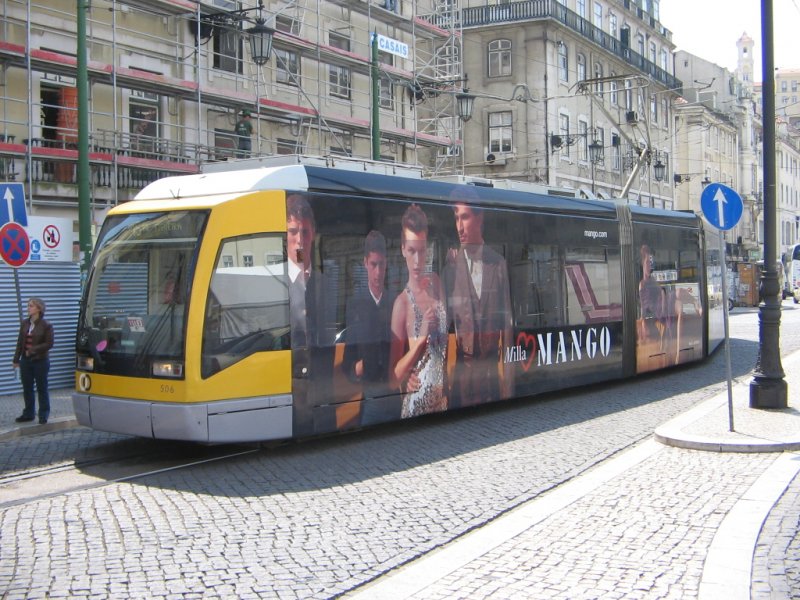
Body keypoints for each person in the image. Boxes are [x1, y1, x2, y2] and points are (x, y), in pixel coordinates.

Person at [444, 199, 514, 407]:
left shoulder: (498, 264)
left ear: (479, 218)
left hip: (491, 377)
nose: (459, 227)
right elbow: (445, 324)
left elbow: (507, 326)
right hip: (461, 381)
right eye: (456, 218)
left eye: (464, 217)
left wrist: (508, 382)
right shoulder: (451, 268)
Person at [389, 204, 448, 418]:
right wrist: (420, 341)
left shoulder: (436, 284)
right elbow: (393, 377)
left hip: (443, 402)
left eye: (422, 251)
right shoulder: (401, 304)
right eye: (412, 251)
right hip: (416, 405)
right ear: (403, 249)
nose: (417, 260)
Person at [286, 194, 335, 435]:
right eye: (293, 231)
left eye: (304, 232)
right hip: (289, 380)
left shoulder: (323, 282)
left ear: (313, 234)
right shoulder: (276, 282)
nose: (299, 241)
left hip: (321, 384)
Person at [342, 231, 399, 425]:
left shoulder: (396, 302)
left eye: (381, 265)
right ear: (365, 263)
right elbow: (347, 362)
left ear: (386, 264)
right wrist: (356, 368)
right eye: (373, 265)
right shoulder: (355, 305)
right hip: (371, 398)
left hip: (396, 394)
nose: (378, 272)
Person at [12, 297, 54, 424]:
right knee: (27, 388)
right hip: (26, 361)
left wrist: (33, 349)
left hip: (40, 361)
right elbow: (20, 342)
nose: (28, 308)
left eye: (31, 306)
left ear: (38, 309)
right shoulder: (25, 323)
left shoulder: (46, 325)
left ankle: (43, 414)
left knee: (42, 388)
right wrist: (16, 359)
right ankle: (28, 413)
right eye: (28, 305)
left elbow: (49, 343)